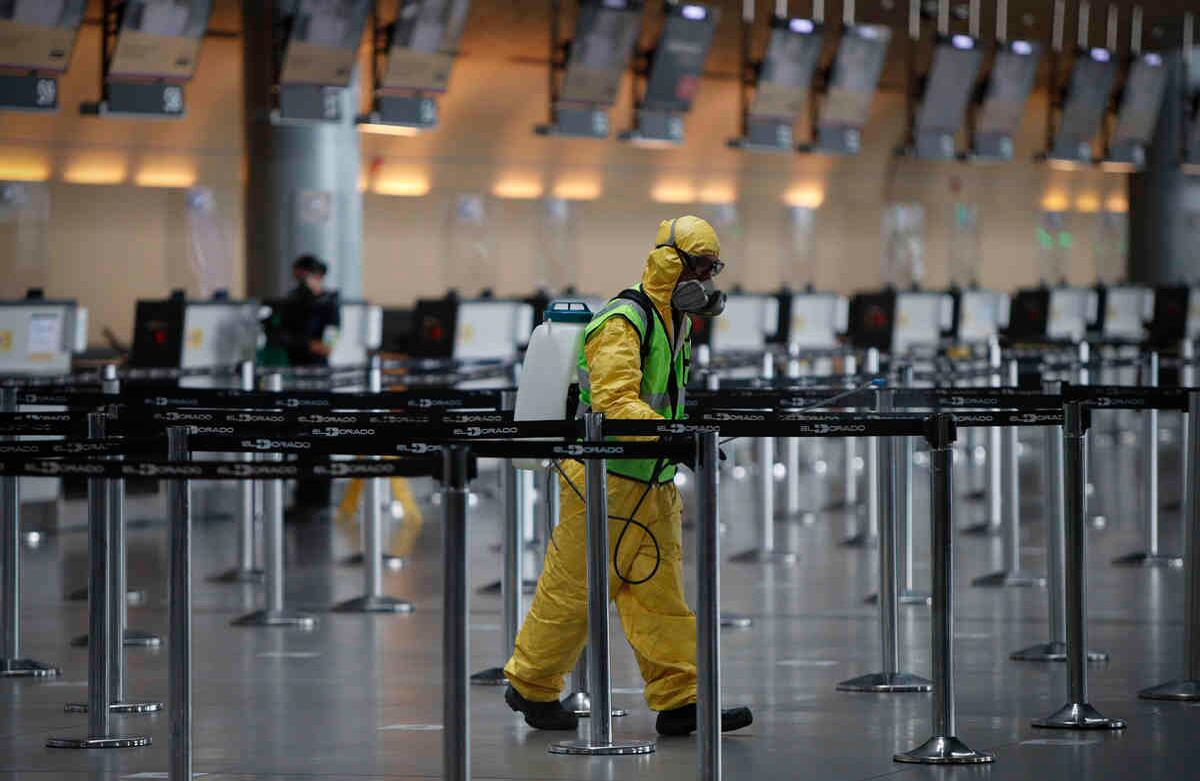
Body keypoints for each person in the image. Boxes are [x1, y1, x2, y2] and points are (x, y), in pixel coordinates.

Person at [503, 216, 753, 737]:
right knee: (574, 593)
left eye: (713, 269)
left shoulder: (674, 322)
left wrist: (679, 437)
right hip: (603, 479)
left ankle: (681, 699)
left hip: (651, 481)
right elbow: (617, 402)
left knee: (659, 597)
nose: (707, 280)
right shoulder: (624, 321)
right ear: (671, 262)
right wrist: (675, 436)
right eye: (701, 267)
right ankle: (530, 686)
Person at [282, 255, 340, 515]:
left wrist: (304, 343)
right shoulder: (293, 301)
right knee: (300, 440)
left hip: (318, 380)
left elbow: (326, 345)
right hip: (297, 377)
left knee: (321, 439)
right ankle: (303, 499)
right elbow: (283, 335)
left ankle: (321, 499)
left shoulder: (328, 302)